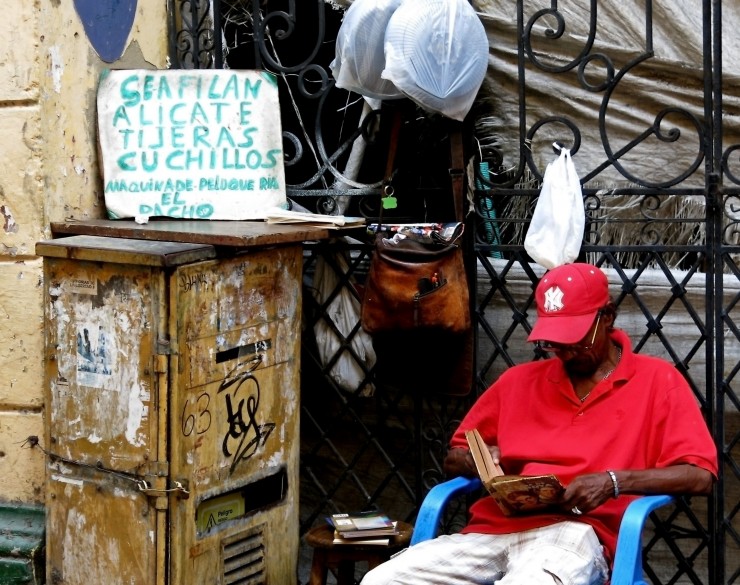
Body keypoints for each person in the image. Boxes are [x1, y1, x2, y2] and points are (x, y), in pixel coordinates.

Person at [361, 263, 718, 585]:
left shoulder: (657, 381)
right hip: (489, 532)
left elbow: (700, 475)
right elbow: (455, 455)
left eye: (575, 337)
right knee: (382, 580)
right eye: (554, 341)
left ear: (607, 317)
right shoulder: (518, 382)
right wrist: (481, 462)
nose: (564, 350)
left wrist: (613, 481)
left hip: (575, 533)